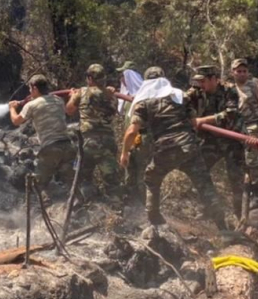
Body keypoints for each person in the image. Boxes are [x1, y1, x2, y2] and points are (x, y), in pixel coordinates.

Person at [120, 66, 226, 228]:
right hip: (189, 147)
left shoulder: (144, 103)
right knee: (205, 185)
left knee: (151, 178)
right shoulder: (180, 96)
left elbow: (131, 131)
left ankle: (155, 221)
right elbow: (193, 122)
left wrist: (124, 153)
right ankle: (223, 229)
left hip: (165, 149)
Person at [187, 65, 245, 216]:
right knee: (199, 170)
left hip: (232, 140)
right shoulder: (197, 91)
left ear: (214, 79)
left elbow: (230, 113)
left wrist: (202, 120)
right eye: (199, 81)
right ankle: (211, 208)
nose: (201, 84)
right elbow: (181, 101)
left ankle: (240, 216)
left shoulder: (229, 90)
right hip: (210, 140)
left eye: (203, 81)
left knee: (236, 179)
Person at [9, 74, 74, 195]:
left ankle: (44, 208)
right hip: (68, 146)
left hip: (51, 148)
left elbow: (16, 121)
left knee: (38, 184)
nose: (29, 91)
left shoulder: (32, 105)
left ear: (34, 88)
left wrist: (12, 108)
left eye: (30, 89)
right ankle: (80, 204)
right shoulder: (58, 100)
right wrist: (72, 96)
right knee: (71, 181)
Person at [65, 64, 121, 197]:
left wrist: (72, 96)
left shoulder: (82, 92)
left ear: (90, 78)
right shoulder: (113, 97)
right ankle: (118, 210)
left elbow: (69, 110)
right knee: (112, 182)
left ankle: (83, 207)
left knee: (81, 178)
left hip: (87, 143)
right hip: (108, 143)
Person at [231, 58, 258, 208]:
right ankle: (241, 194)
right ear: (233, 72)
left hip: (252, 126)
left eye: (244, 71)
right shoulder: (229, 87)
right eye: (239, 71)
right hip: (235, 128)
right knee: (237, 162)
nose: (242, 74)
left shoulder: (254, 86)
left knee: (252, 160)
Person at [117, 62, 151, 202]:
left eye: (123, 76)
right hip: (131, 142)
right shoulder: (127, 99)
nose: (121, 80)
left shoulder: (143, 99)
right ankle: (133, 203)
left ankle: (147, 207)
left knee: (142, 175)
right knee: (130, 173)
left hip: (142, 142)